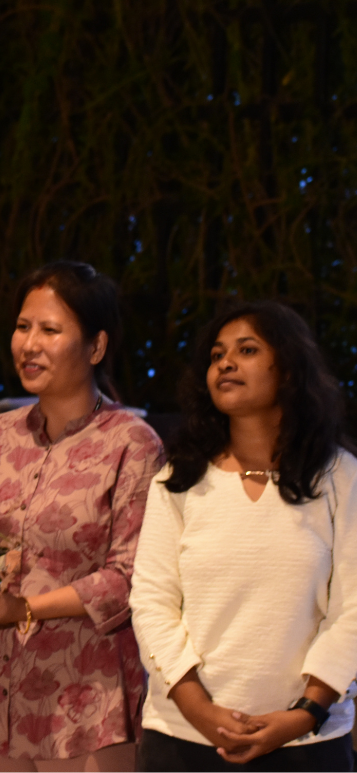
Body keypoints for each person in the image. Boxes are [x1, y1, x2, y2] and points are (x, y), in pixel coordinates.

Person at [0, 261, 165, 772]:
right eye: (23, 327)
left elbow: (128, 578)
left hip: (83, 696)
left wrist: (20, 609)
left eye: (50, 330)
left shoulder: (132, 443)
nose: (29, 343)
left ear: (96, 347)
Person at [130, 301, 357, 772]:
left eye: (247, 350)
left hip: (307, 742)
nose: (226, 363)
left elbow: (353, 609)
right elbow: (151, 602)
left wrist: (304, 715)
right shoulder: (178, 478)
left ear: (289, 371)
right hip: (183, 738)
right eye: (216, 355)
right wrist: (201, 713)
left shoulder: (340, 476)